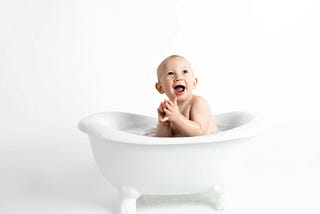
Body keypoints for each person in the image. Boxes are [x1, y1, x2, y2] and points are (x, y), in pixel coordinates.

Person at [155, 55, 218, 137]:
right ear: (160, 87)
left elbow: (200, 133)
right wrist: (163, 123)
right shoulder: (169, 109)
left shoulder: (198, 102)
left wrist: (178, 118)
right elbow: (163, 138)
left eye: (184, 72)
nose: (179, 78)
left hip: (208, 145)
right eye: (171, 74)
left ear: (194, 83)